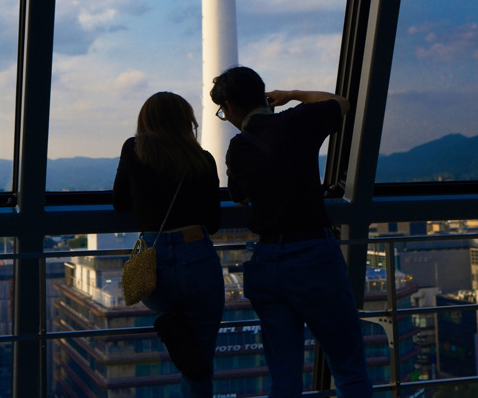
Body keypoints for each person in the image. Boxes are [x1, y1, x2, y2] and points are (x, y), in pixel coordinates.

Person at [210, 66, 372, 398]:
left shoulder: (238, 148)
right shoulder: (297, 121)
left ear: (230, 106)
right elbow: (340, 102)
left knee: (283, 380)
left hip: (266, 263)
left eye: (223, 112)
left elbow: (240, 197)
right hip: (314, 256)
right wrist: (293, 95)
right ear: (264, 96)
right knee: (349, 370)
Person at [113, 91, 225, 398]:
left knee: (184, 340)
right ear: (186, 121)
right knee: (200, 366)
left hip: (155, 262)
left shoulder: (133, 149)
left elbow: (119, 201)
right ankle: (181, 334)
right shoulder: (202, 159)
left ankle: (174, 323)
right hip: (197, 258)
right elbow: (213, 223)